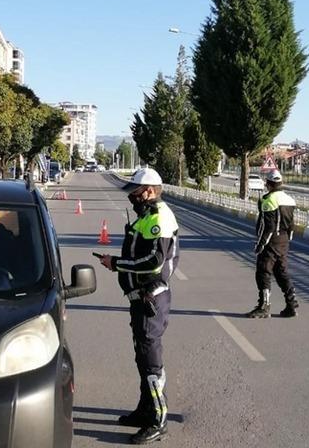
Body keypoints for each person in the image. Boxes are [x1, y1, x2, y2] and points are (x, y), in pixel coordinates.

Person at [98, 168, 179, 445]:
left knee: (151, 362)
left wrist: (116, 264)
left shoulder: (160, 219)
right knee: (142, 359)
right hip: (139, 298)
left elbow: (153, 263)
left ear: (150, 191)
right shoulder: (146, 216)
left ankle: (158, 419)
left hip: (151, 299)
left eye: (135, 192)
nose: (132, 197)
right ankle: (145, 410)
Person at [247, 170, 299, 318]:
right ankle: (291, 304)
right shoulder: (289, 199)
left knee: (263, 271)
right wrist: (288, 238)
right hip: (284, 241)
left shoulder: (268, 200)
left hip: (271, 242)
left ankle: (264, 306)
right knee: (281, 272)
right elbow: (291, 224)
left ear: (268, 184)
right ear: (280, 183)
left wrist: (260, 245)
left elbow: (266, 227)